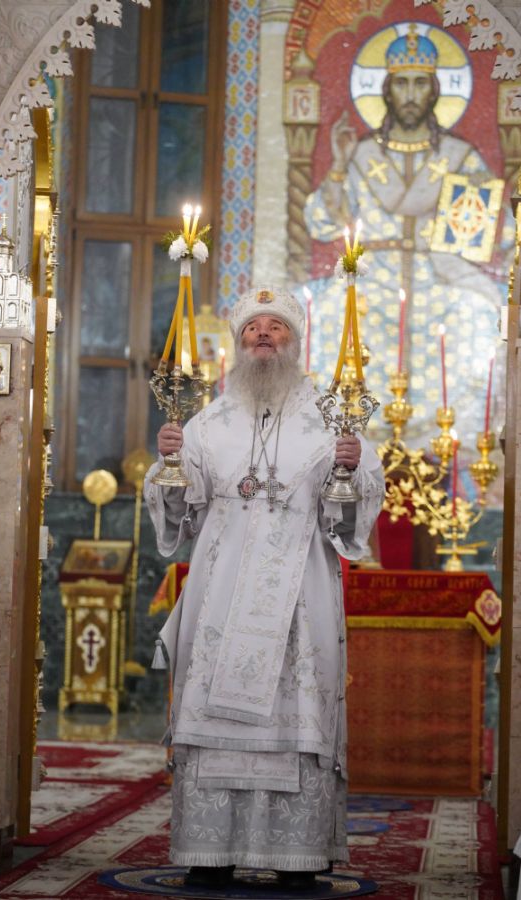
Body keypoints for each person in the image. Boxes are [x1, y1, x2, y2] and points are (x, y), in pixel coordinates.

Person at [145, 285, 384, 889]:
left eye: (275, 327)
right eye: (254, 328)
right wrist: (168, 464)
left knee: (297, 714)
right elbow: (180, 512)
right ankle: (209, 854)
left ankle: (297, 857)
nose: (263, 336)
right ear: (238, 342)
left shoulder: (330, 420)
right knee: (211, 713)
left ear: (294, 342)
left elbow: (352, 514)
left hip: (300, 592)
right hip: (221, 591)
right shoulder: (207, 421)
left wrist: (353, 467)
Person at [304, 23, 508, 445]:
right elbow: (321, 223)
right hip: (372, 277)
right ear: (387, 91)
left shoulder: (460, 157)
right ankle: (349, 438)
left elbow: (495, 230)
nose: (411, 94)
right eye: (402, 83)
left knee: (480, 310)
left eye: (420, 83)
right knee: (325, 311)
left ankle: (459, 440)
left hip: (439, 278)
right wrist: (339, 165)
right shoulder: (361, 155)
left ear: (434, 91)